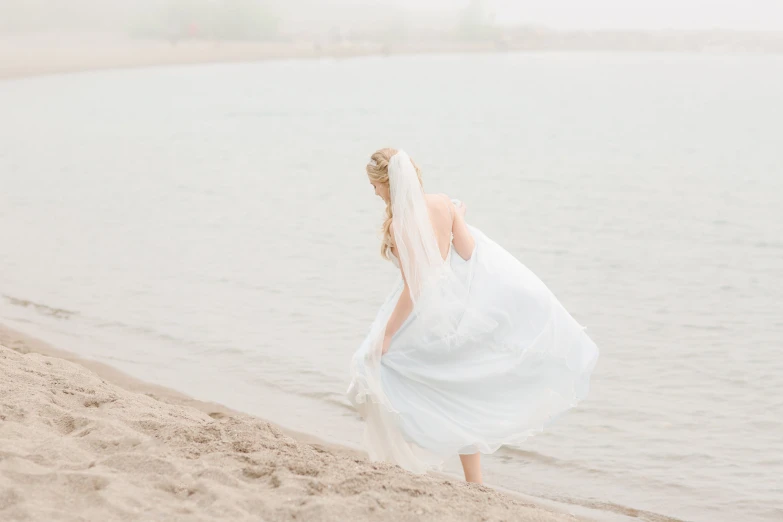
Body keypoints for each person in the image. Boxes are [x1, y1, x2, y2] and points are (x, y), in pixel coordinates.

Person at [347, 148, 599, 484]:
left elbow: (414, 287)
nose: (374, 192)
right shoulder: (441, 203)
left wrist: (390, 333)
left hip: (419, 315)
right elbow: (467, 252)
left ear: (387, 183)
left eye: (374, 186)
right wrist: (458, 216)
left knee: (372, 367)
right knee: (456, 389)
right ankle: (473, 480)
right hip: (455, 312)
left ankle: (401, 458)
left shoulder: (399, 224)